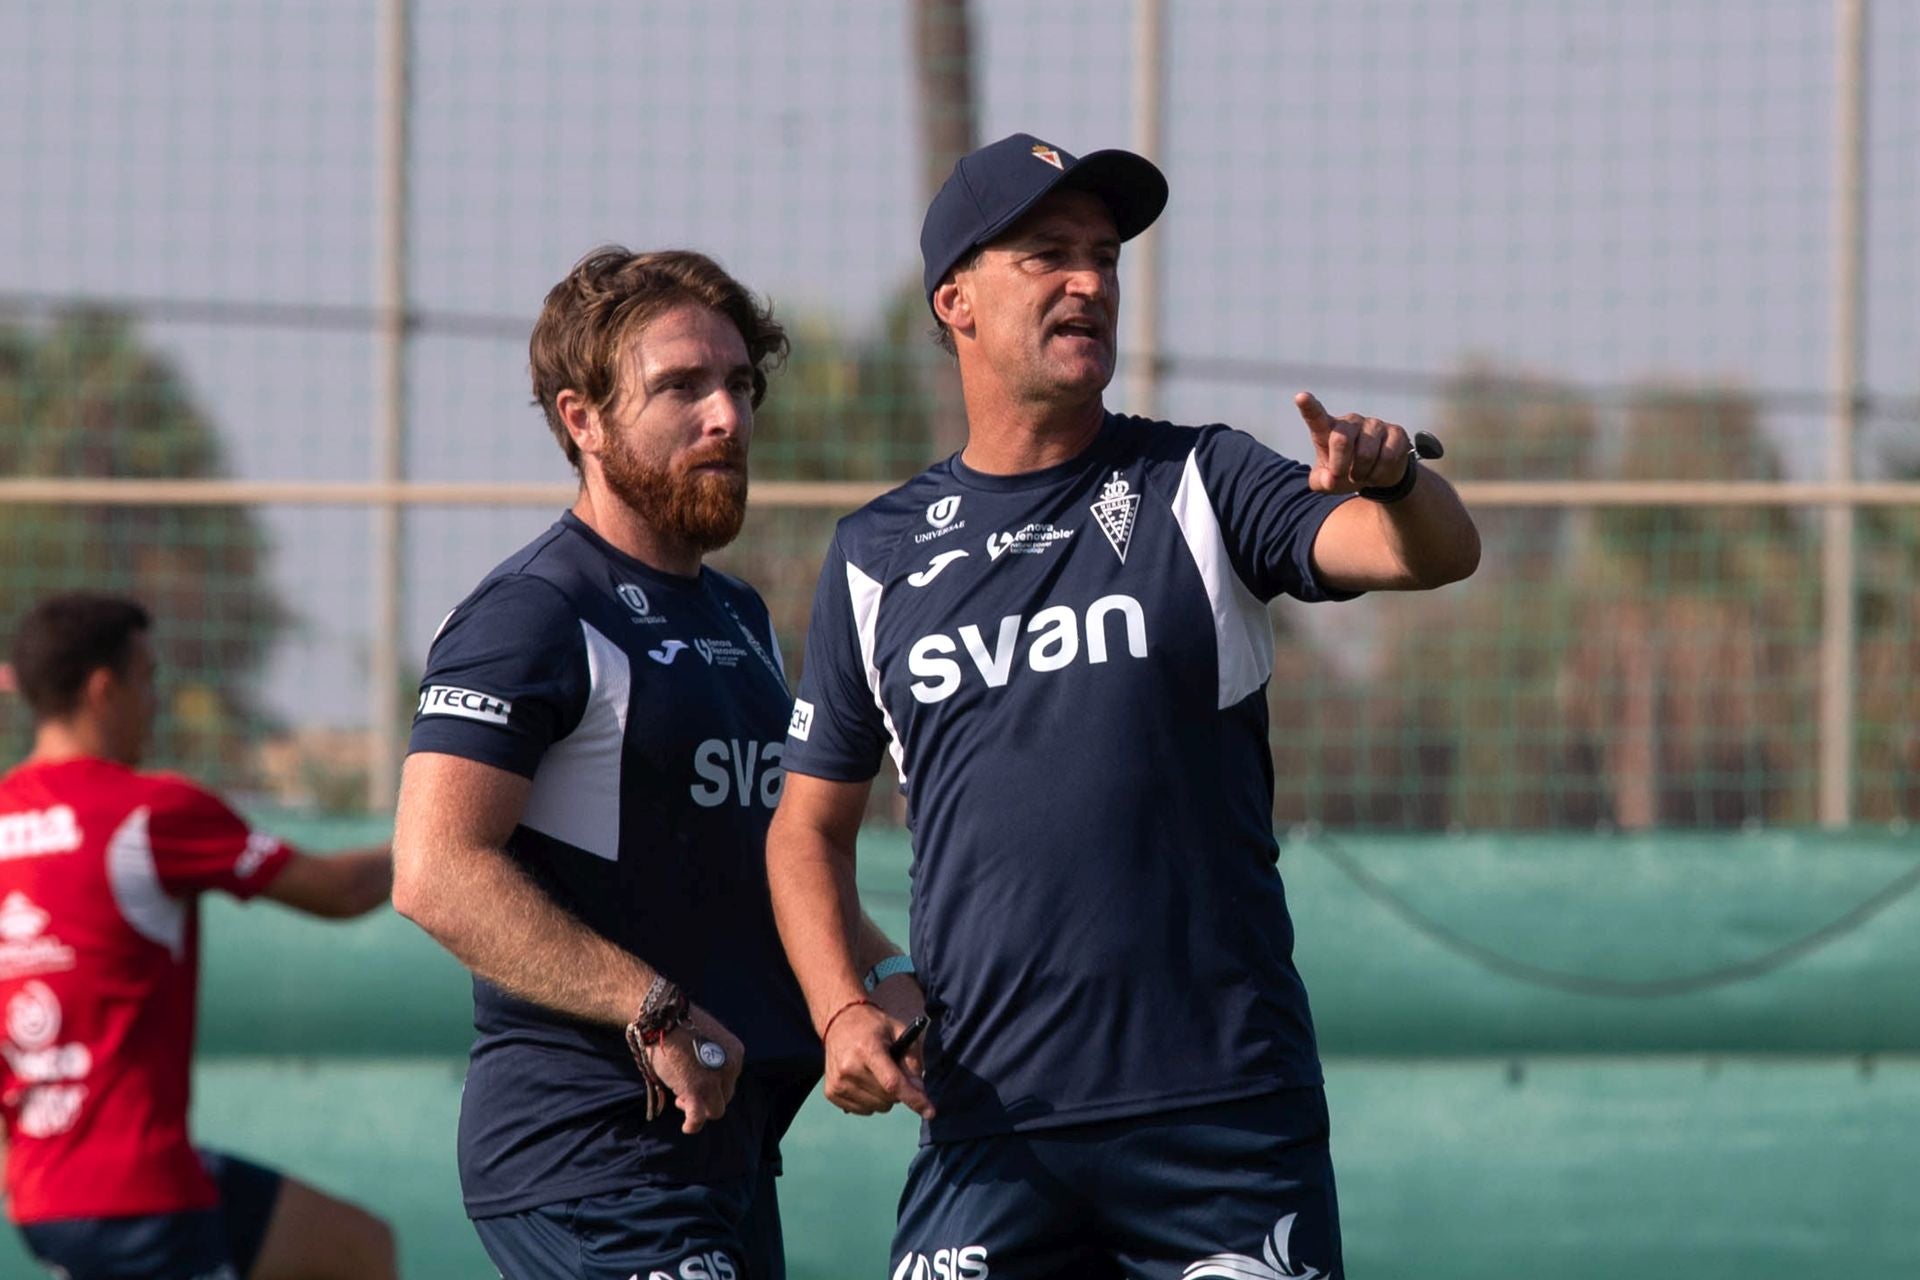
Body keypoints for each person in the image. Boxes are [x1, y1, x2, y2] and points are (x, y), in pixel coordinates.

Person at [767, 133, 1481, 1279]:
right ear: (954, 299)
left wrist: (1397, 481)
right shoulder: (874, 554)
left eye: (1103, 256)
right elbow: (805, 828)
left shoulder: (1205, 479)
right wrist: (840, 1011)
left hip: (1224, 1121)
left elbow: (1428, 556)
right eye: (1046, 254)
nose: (1089, 281)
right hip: (990, 1129)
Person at [390, 246, 910, 1280]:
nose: (726, 416)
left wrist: (892, 980)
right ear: (580, 417)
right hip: (592, 1156)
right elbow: (436, 869)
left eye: (739, 384)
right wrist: (651, 1003)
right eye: (681, 386)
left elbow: (767, 848)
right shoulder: (533, 613)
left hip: (721, 1150)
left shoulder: (739, 611)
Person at [0, 591, 397, 1280]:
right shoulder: (145, 815)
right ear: (103, 689)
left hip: (47, 1188)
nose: (155, 700)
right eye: (147, 678)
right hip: (139, 1199)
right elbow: (343, 891)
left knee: (357, 1249)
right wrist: (447, 840)